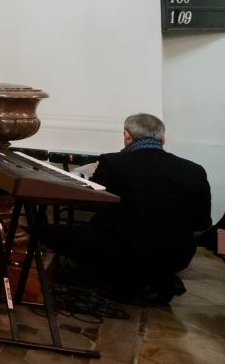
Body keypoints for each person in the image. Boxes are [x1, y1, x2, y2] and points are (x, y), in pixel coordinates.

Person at [41, 113, 212, 303]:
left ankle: (120, 279)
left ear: (127, 136)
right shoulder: (195, 170)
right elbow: (202, 222)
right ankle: (153, 279)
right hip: (177, 256)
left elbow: (92, 202)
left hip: (124, 252)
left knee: (45, 231)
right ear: (162, 139)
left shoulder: (113, 163)